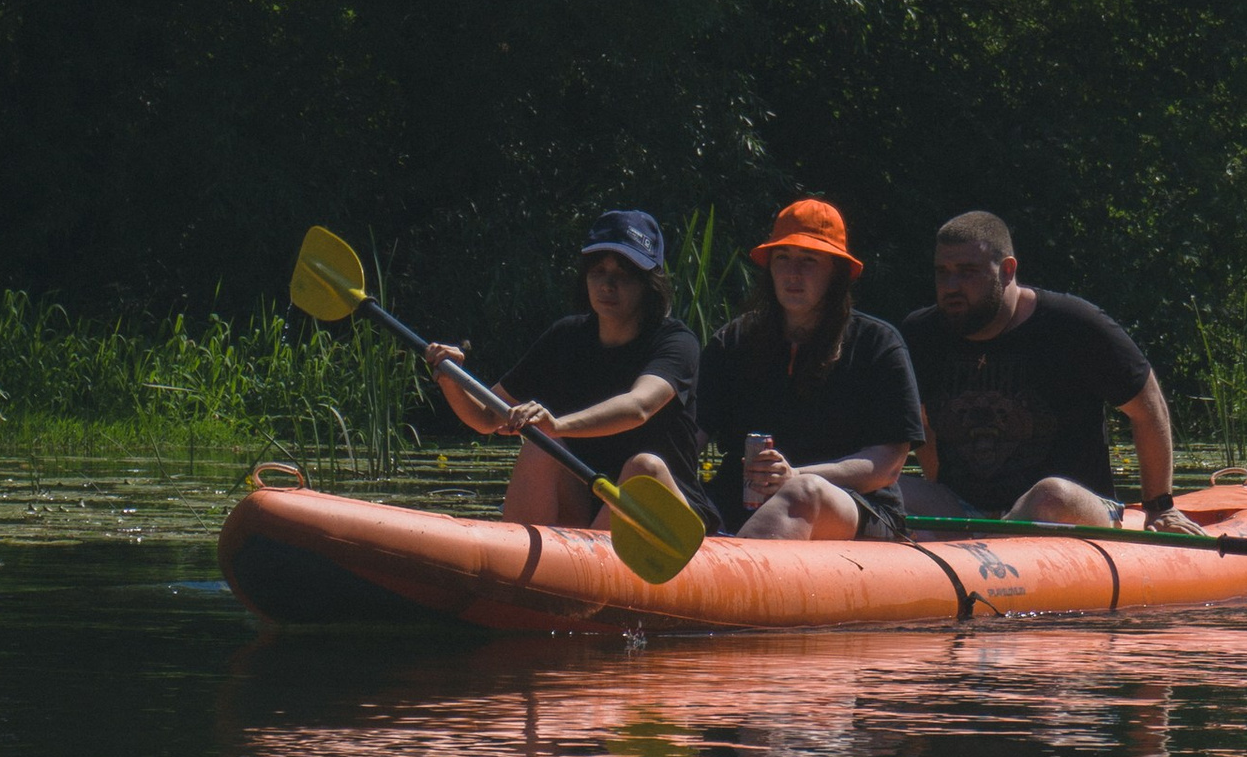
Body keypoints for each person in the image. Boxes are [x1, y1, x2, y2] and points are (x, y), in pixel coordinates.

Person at [621, 198, 921, 541]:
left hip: (853, 507)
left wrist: (795, 475)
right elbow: (689, 440)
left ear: (836, 272)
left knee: (804, 492)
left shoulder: (878, 344)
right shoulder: (734, 341)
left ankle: (734, 571)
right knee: (645, 468)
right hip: (734, 505)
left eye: (809, 260)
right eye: (782, 258)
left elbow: (887, 466)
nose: (793, 273)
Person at [900, 210, 1188, 529]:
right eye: (942, 273)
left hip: (1069, 508)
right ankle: (976, 540)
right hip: (965, 508)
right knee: (881, 488)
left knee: (1050, 495)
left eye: (967, 272)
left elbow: (1148, 407)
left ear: (1007, 270)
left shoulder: (1073, 324)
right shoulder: (921, 334)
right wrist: (937, 483)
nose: (951, 286)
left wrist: (1159, 507)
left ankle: (987, 543)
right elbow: (921, 420)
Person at [425, 210, 702, 528]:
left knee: (644, 468)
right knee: (541, 446)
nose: (607, 285)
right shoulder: (565, 337)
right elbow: (488, 417)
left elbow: (639, 407)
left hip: (668, 512)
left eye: (624, 274)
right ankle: (526, 552)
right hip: (587, 508)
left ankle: (590, 556)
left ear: (648, 284)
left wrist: (557, 425)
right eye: (598, 271)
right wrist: (451, 378)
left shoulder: (677, 342)